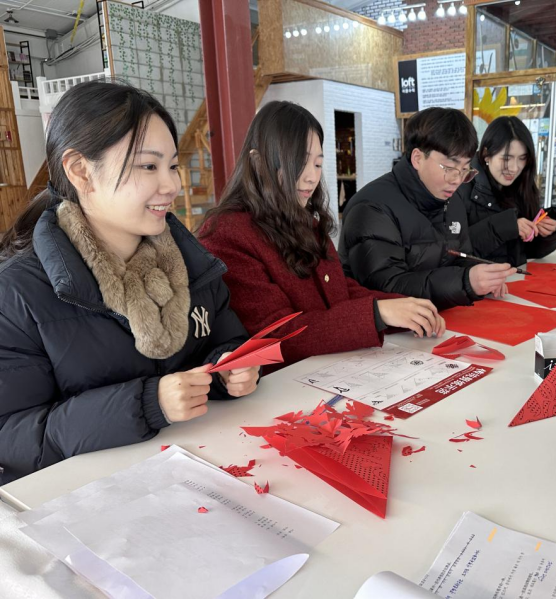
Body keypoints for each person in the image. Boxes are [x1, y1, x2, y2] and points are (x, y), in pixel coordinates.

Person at [0, 81, 259, 485]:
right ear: (81, 171)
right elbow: (14, 438)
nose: (171, 185)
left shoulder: (193, 264)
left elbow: (224, 339)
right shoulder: (17, 295)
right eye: (148, 166)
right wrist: (147, 403)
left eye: (172, 165)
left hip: (201, 469)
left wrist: (232, 367)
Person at [199, 101, 445, 370]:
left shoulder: (303, 219)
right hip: (280, 388)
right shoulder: (228, 232)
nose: (310, 177)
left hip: (329, 371)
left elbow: (339, 290)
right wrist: (377, 313)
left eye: (317, 164)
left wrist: (403, 307)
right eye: (300, 163)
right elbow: (276, 334)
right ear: (258, 163)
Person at [338, 107, 517, 310]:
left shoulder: (452, 199)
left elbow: (460, 257)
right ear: (417, 158)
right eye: (449, 167)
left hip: (437, 321)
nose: (457, 179)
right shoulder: (372, 208)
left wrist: (482, 275)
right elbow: (387, 288)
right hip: (385, 336)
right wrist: (465, 282)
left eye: (465, 169)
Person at [458, 116, 556, 266]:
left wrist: (546, 233)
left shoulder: (522, 186)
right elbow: (454, 251)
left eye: (522, 158)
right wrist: (506, 227)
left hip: (515, 280)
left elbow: (531, 252)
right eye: (506, 158)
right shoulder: (461, 185)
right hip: (480, 286)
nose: (514, 168)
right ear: (486, 154)